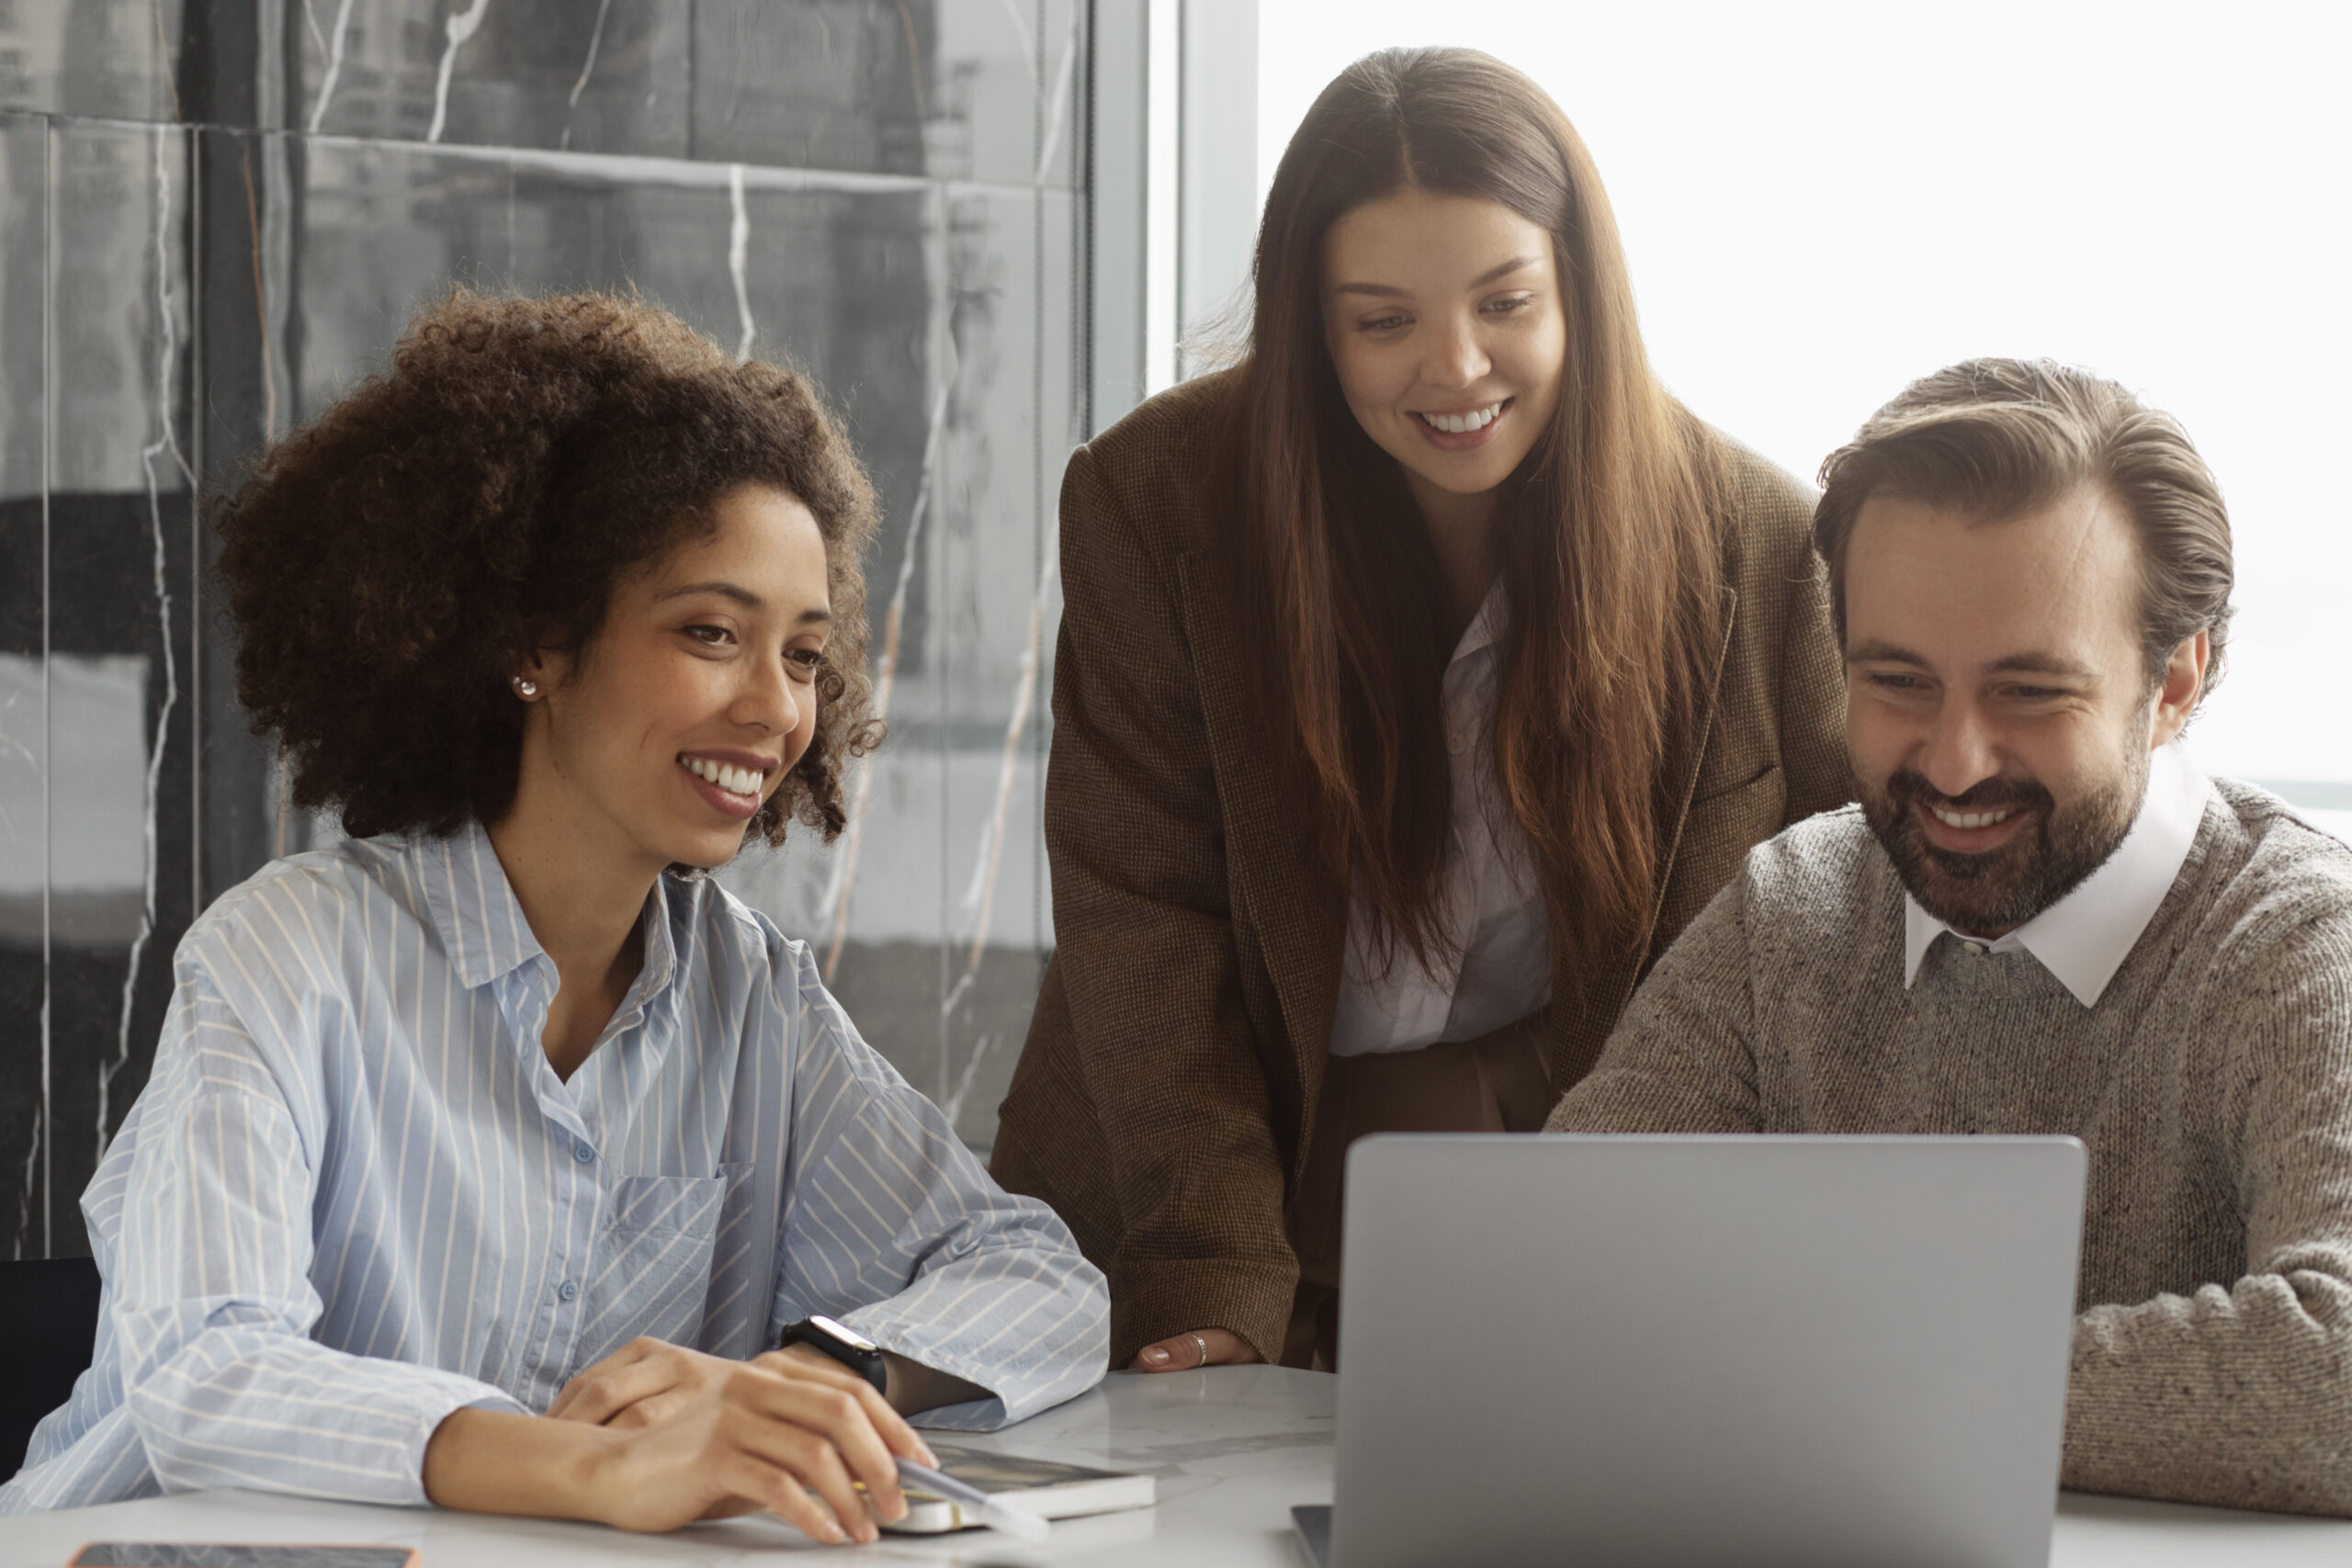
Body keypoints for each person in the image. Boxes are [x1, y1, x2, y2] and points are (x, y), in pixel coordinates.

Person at [0, 291, 1109, 1539]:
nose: (774, 706)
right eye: (710, 630)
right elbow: (202, 1371)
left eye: (802, 654)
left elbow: (1037, 1275)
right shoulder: (288, 955)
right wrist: (600, 1466)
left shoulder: (758, 1002)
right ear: (537, 643)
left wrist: (821, 1378)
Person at [990, 47, 1849, 1375]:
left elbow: (1821, 936)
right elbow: (1141, 912)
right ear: (1309, 324)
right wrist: (1203, 1273)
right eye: (1381, 320)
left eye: (1506, 301)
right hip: (1190, 1183)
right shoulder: (1155, 499)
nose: (1454, 369)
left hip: (1573, 1210)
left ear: (1581, 291)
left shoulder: (1762, 545)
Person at [1549, 356, 2352, 1517]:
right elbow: (1544, 1279)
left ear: (2174, 681)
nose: (1955, 761)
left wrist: (1829, 1378)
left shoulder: (2297, 947)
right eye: (1898, 681)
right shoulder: (1796, 907)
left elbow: (2335, 1378)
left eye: (2028, 692)